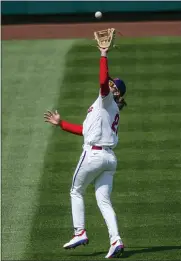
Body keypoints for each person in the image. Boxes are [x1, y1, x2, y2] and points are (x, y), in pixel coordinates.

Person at [44, 47, 127, 258]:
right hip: (109, 159)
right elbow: (85, 131)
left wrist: (103, 54)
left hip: (94, 155)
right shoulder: (107, 107)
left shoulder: (106, 99)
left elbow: (102, 81)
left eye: (112, 85)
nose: (108, 84)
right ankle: (116, 239)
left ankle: (79, 232)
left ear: (114, 91)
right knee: (104, 201)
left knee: (75, 190)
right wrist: (61, 123)